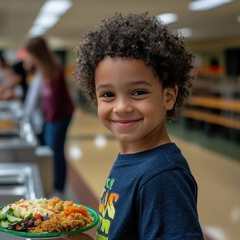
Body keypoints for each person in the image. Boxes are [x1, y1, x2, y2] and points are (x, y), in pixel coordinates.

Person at [61, 13, 204, 240]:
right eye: (108, 94)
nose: (122, 107)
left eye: (138, 92)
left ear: (168, 96)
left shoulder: (163, 177)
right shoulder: (134, 160)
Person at [25, 36, 75, 195]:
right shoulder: (42, 70)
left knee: (56, 150)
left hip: (59, 116)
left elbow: (54, 99)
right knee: (53, 150)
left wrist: (49, 121)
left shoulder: (54, 69)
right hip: (52, 117)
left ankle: (58, 186)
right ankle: (55, 183)